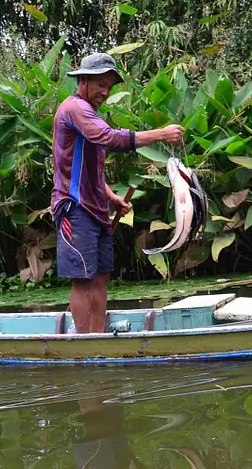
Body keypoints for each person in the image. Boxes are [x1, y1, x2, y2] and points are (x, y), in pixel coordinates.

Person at [52, 52, 183, 333]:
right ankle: (84, 348)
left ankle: (97, 340)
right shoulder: (74, 109)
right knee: (83, 280)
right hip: (74, 209)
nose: (105, 92)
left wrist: (111, 198)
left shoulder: (90, 114)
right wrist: (160, 134)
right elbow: (109, 138)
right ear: (83, 80)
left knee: (101, 278)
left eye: (109, 87)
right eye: (100, 84)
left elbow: (91, 171)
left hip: (96, 208)